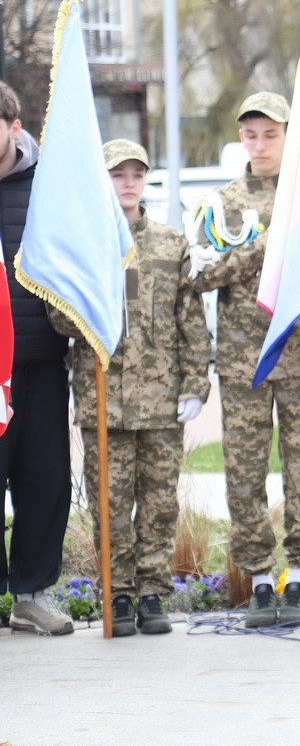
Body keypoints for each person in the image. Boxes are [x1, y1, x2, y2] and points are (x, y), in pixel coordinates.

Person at [189, 92, 300, 629]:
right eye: (250, 135)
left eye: (270, 135)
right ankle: (260, 582)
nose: (259, 145)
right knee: (244, 473)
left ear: (290, 136)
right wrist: (269, 245)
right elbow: (202, 275)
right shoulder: (223, 201)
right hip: (245, 360)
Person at [48, 139, 210, 636]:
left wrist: (195, 384)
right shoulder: (85, 243)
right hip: (105, 403)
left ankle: (152, 594)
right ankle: (117, 593)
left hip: (162, 401)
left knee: (159, 501)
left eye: (137, 173)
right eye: (119, 174)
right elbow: (59, 319)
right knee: (110, 504)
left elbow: (191, 321)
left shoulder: (169, 244)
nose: (129, 183)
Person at [0, 82, 76, 635]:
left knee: (44, 478)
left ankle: (31, 593)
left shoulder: (48, 185)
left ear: (14, 127)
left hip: (41, 360)